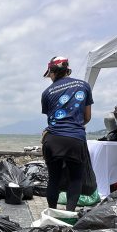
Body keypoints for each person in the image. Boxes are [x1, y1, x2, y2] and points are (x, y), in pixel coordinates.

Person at [41, 56, 93, 211]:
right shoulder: (84, 86)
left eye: (49, 74)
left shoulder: (47, 92)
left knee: (54, 178)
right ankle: (69, 215)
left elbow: (51, 119)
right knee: (76, 178)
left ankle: (52, 213)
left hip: (53, 139)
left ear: (52, 71)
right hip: (75, 138)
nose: (49, 77)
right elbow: (87, 117)